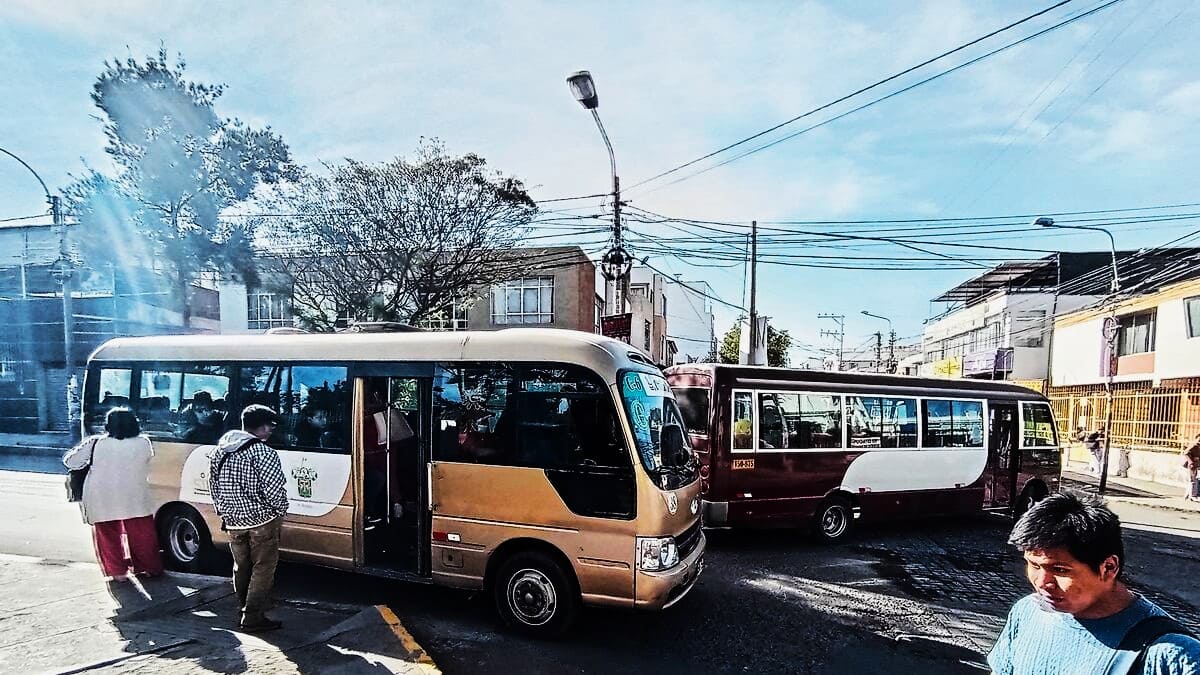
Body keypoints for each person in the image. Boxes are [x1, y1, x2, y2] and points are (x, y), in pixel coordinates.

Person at [989, 492, 1200, 674]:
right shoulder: (1026, 613)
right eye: (1033, 565)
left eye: (1060, 570)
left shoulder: (1172, 654)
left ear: (1108, 568)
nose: (1043, 583)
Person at [210, 404, 289, 633]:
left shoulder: (221, 450)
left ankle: (243, 606)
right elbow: (274, 490)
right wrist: (280, 509)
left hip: (233, 520)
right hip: (262, 520)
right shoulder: (264, 453)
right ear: (263, 427)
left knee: (241, 566)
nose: (271, 431)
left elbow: (214, 486)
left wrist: (224, 511)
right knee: (263, 567)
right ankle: (253, 617)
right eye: (271, 426)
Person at [62, 407, 163, 581]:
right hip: (135, 494)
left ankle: (118, 573)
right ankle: (148, 568)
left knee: (108, 536)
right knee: (142, 535)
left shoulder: (95, 442)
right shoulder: (144, 442)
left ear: (107, 425)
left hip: (102, 495)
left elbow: (70, 461)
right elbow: (148, 460)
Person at [1182, 433, 1200, 502]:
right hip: (1192, 465)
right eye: (1199, 439)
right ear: (1196, 439)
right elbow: (1186, 452)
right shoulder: (1194, 445)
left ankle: (1187, 495)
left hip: (1195, 464)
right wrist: (1190, 462)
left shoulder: (1198, 446)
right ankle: (1192, 496)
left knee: (1192, 479)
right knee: (1193, 480)